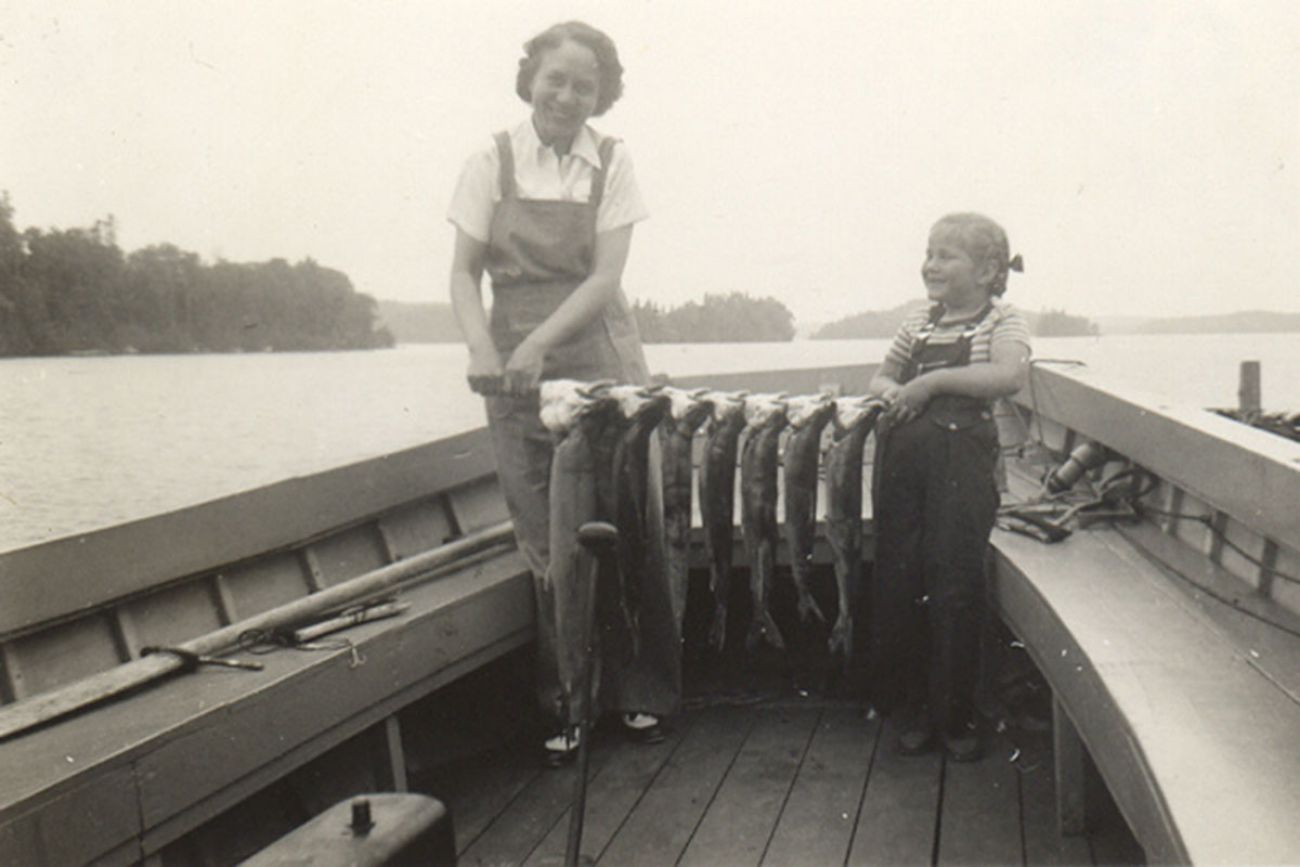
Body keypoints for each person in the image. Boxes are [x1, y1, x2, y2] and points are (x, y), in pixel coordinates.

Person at [446, 21, 679, 767]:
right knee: (548, 538)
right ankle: (569, 703)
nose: (567, 95)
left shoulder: (612, 162)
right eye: (556, 79)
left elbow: (605, 277)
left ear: (601, 95)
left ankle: (640, 690)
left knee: (624, 522)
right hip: (513, 366)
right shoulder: (491, 158)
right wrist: (483, 344)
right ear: (531, 78)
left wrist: (543, 342)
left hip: (596, 352)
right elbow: (462, 272)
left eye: (585, 85)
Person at [867, 213, 1030, 762]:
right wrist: (896, 390)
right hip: (904, 465)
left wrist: (930, 382)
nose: (930, 265)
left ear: (987, 271)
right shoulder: (919, 321)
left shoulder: (1001, 321)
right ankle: (911, 708)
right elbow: (882, 378)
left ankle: (956, 713)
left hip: (964, 467)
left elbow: (1006, 376)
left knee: (956, 583)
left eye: (945, 256)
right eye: (929, 252)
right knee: (901, 580)